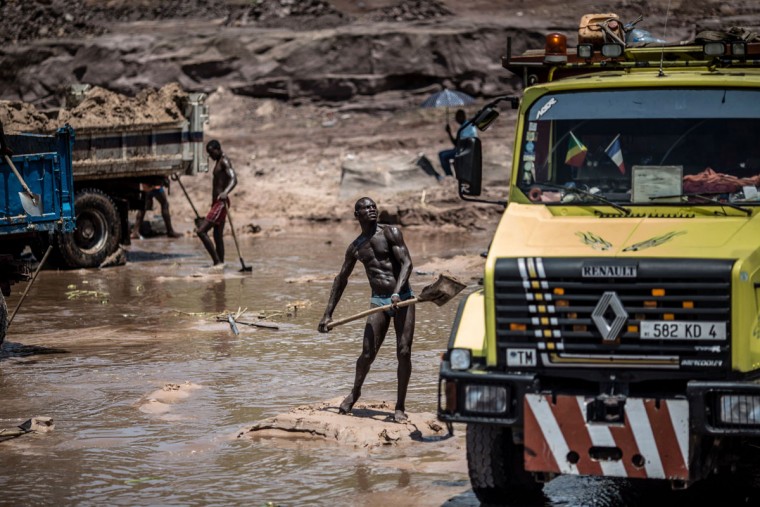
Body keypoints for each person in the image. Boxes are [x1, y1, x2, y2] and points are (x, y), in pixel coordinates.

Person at [318, 197, 416, 423]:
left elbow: (407, 264)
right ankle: (355, 392)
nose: (372, 210)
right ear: (357, 215)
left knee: (403, 351)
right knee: (367, 354)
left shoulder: (390, 232)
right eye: (366, 208)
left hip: (403, 299)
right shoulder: (356, 247)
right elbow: (341, 279)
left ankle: (399, 406)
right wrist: (327, 314)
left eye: (374, 207)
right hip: (379, 301)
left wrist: (397, 292)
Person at [196, 139, 237, 266]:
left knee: (201, 231)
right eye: (208, 153)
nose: (210, 156)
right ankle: (220, 265)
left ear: (218, 149)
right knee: (217, 235)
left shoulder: (224, 161)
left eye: (211, 152)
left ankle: (217, 262)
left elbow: (234, 179)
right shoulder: (219, 161)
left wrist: (225, 192)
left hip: (221, 203)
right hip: (217, 203)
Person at [437, 108, 477, 178]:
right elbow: (457, 143)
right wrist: (449, 133)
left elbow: (458, 144)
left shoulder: (467, 127)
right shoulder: (465, 126)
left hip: (465, 150)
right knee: (442, 154)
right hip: (462, 148)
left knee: (443, 156)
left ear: (462, 117)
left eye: (457, 117)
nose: (456, 120)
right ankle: (449, 175)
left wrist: (449, 133)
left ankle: (449, 175)